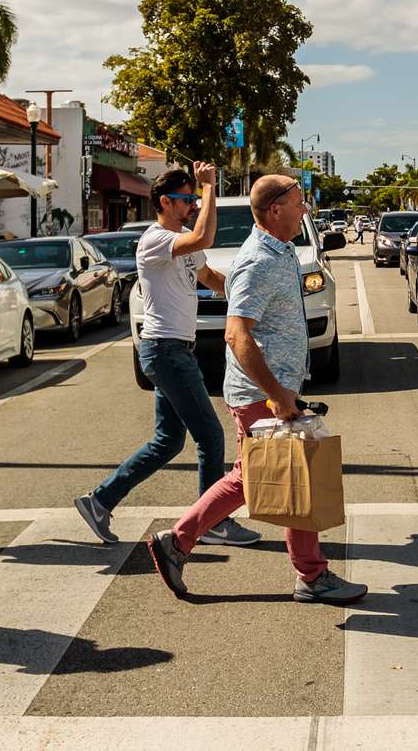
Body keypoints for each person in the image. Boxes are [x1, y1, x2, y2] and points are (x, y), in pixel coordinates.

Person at [145, 176, 367, 604]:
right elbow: (236, 334)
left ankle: (181, 542)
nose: (306, 211)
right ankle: (309, 575)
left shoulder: (280, 251)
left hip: (273, 390)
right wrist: (278, 395)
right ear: (275, 210)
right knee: (286, 475)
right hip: (260, 394)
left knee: (257, 477)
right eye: (299, 204)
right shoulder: (259, 260)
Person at [73, 163, 260, 549]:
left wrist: (253, 300)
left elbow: (212, 279)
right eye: (186, 200)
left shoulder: (182, 244)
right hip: (166, 350)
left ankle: (100, 501)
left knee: (168, 441)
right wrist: (210, 189)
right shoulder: (156, 239)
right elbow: (205, 237)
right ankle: (213, 521)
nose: (192, 205)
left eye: (194, 199)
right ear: (164, 202)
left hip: (175, 350)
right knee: (209, 435)